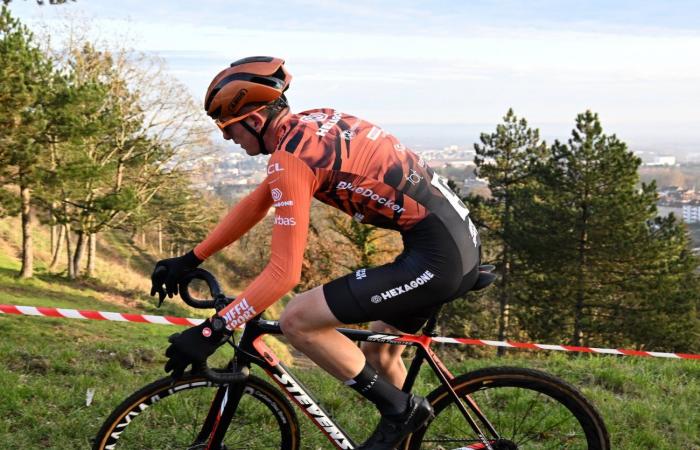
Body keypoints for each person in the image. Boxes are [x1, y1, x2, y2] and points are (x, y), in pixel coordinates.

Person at [151, 56, 481, 450]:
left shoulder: (291, 159)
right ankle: (404, 433)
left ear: (255, 121)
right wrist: (192, 258)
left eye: (228, 128)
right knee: (378, 352)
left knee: (298, 320)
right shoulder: (310, 123)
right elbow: (258, 202)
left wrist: (215, 328)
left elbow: (284, 274)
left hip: (437, 257)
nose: (227, 139)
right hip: (452, 241)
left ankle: (402, 412)